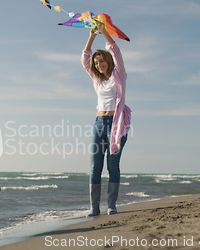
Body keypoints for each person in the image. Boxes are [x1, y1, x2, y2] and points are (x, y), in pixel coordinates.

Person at [81, 21, 132, 216]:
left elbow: (115, 50)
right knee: (95, 166)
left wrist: (103, 32)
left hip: (116, 124)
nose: (98, 65)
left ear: (108, 61)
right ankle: (94, 207)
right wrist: (91, 36)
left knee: (113, 166)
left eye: (101, 61)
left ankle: (112, 204)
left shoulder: (119, 75)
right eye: (96, 63)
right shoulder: (97, 80)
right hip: (98, 124)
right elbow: (85, 59)